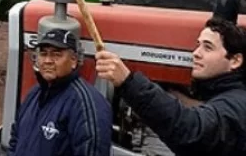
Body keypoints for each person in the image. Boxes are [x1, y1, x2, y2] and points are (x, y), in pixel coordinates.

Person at [95, 17, 246, 155]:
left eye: (208, 47)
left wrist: (129, 82)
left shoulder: (237, 104)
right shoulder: (224, 96)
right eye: (198, 45)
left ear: (235, 60)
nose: (196, 53)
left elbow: (191, 131)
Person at [9, 28, 112, 156]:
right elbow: (15, 140)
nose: (47, 61)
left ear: (74, 60)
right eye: (43, 54)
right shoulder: (34, 95)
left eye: (56, 54)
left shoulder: (87, 105)